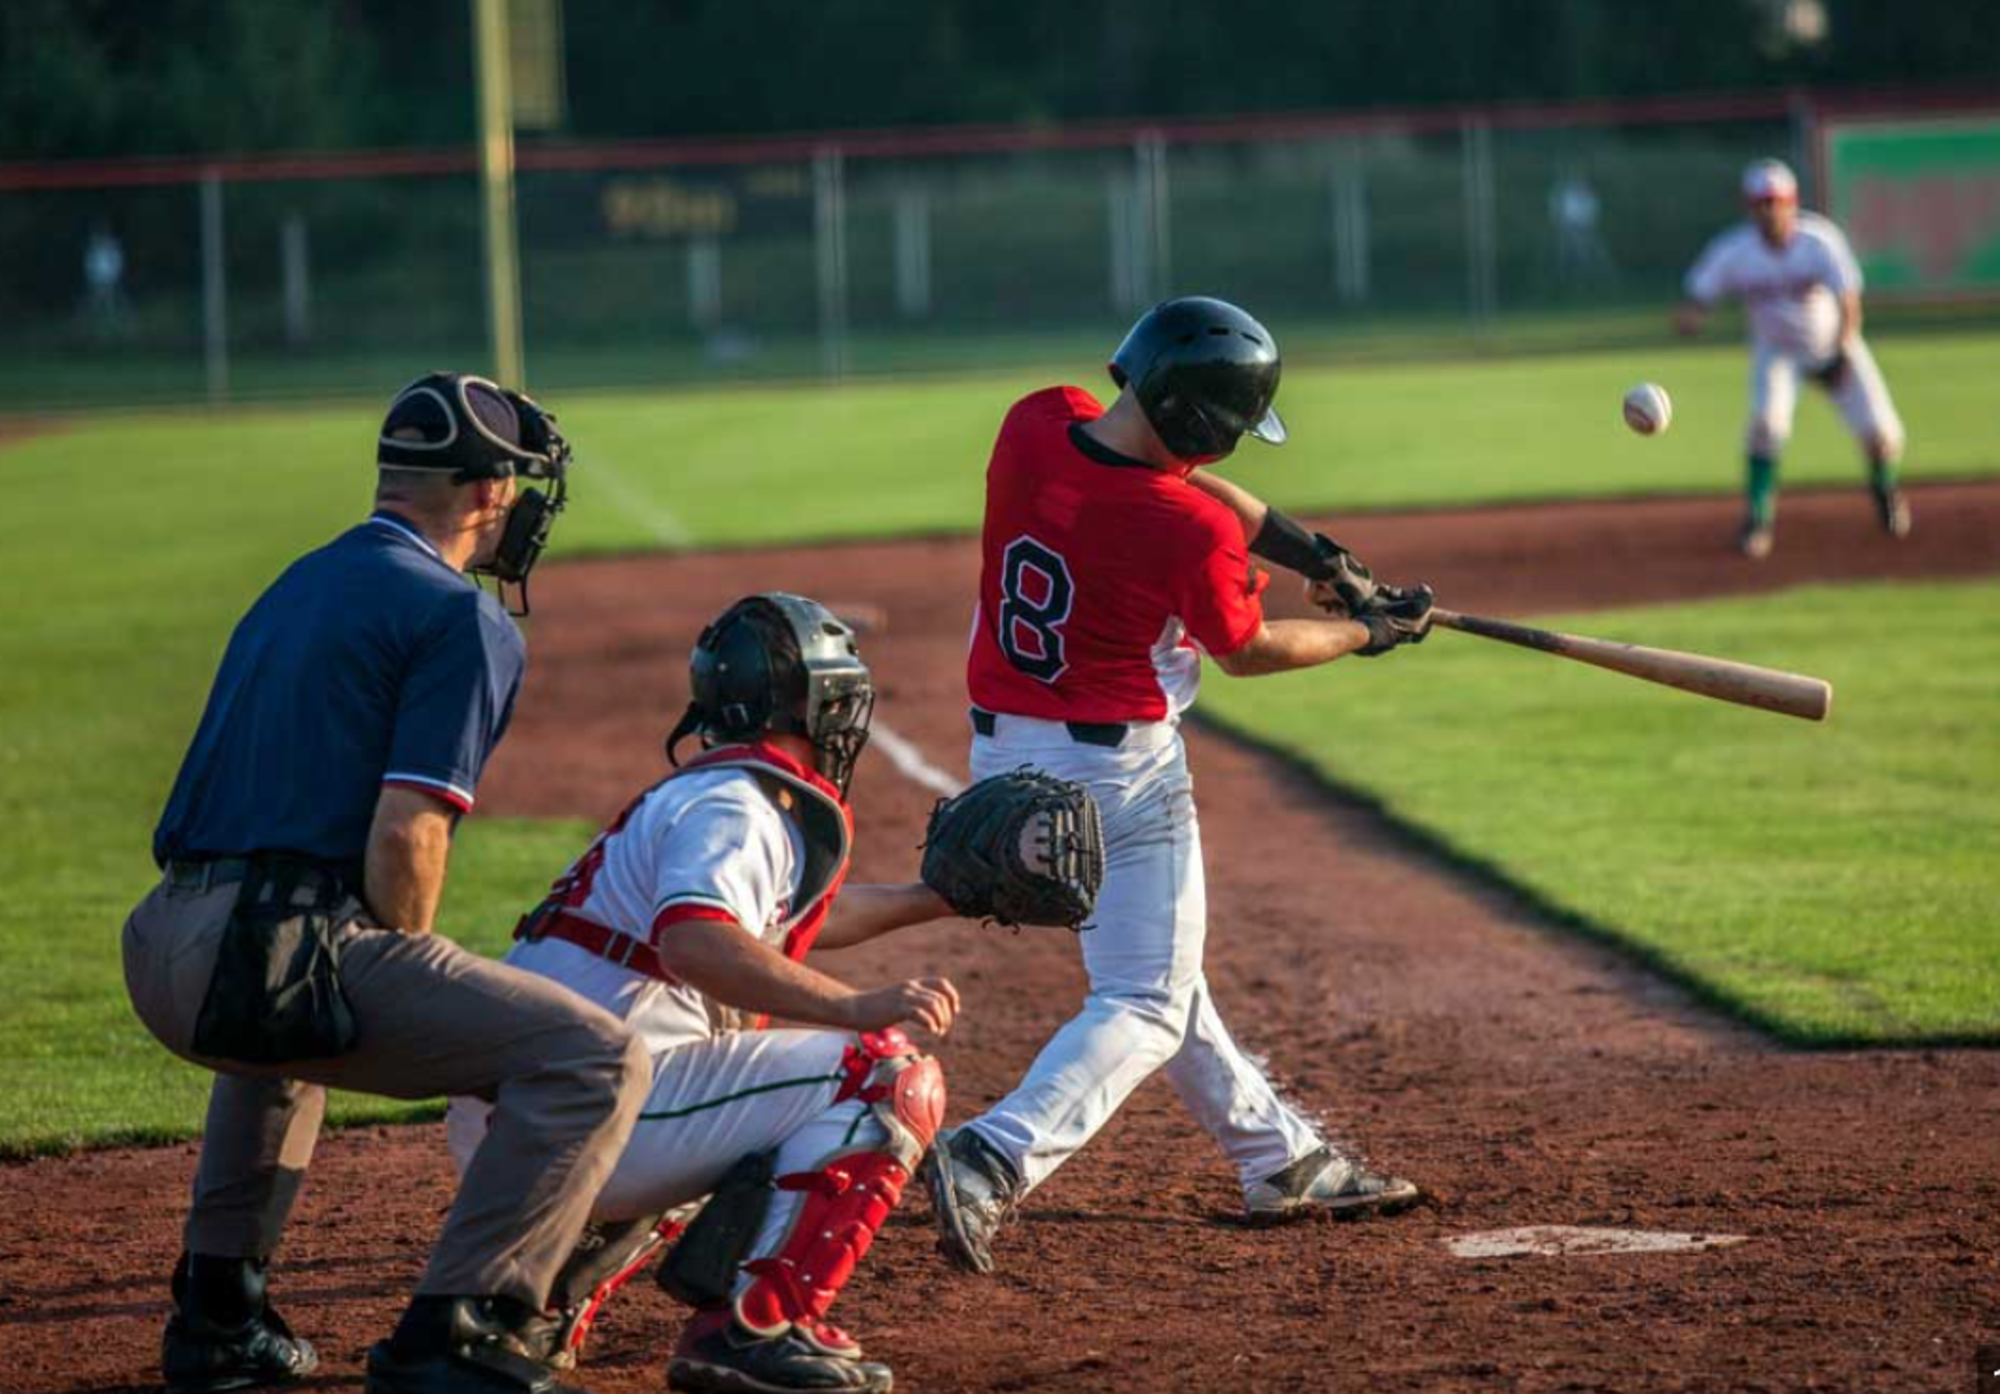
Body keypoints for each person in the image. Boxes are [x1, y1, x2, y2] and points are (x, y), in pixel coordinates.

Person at [123, 372, 652, 1394]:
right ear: (487, 493)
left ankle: (218, 1316)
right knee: (594, 1058)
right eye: (519, 486)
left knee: (289, 1023)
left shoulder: (297, 581)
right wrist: (410, 961)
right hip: (253, 954)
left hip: (160, 944)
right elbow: (408, 832)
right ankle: (456, 1326)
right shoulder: (463, 618)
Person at [922, 295, 1433, 1277]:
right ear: (1202, 420)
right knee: (1144, 997)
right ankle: (991, 1152)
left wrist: (1317, 556)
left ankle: (1279, 1158)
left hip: (1002, 758)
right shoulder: (1181, 526)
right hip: (1117, 776)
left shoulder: (1035, 421)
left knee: (1158, 971)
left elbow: (1190, 493)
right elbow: (1250, 647)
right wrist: (1367, 630)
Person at [446, 594, 957, 1394]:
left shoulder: (707, 797)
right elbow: (697, 942)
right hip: (591, 1117)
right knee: (881, 1076)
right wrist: (855, 1007)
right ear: (815, 704)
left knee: (741, 1100)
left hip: (531, 1119)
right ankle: (754, 1331)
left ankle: (535, 1305)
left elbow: (776, 922)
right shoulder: (737, 806)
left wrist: (939, 897)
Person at [1676, 158, 1911, 559]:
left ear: (1792, 202)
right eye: (1760, 202)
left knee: (1883, 435)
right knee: (1766, 426)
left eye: (1776, 200)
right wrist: (1692, 317)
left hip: (1835, 343)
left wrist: (1839, 352)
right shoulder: (1735, 251)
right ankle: (1757, 520)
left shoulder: (1819, 241)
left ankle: (1884, 490)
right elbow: (1698, 295)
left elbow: (1849, 303)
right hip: (1777, 353)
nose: (1769, 209)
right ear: (1748, 207)